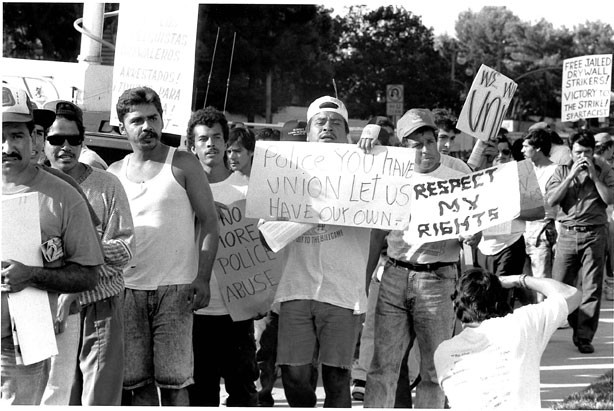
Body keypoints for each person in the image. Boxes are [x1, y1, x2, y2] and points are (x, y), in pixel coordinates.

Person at [359, 108, 479, 408]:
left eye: (430, 140)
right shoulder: (391, 175)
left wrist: (471, 237)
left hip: (439, 280)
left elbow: (474, 229)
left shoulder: (458, 175)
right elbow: (377, 233)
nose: (426, 149)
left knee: (434, 370)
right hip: (394, 276)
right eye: (416, 143)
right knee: (382, 367)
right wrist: (364, 280)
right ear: (403, 147)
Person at [108, 87, 219, 405]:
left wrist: (202, 277)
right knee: (135, 384)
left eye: (153, 118)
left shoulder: (183, 163)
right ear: (122, 128)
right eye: (137, 120)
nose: (147, 127)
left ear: (162, 120)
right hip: (127, 290)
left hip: (176, 291)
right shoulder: (114, 173)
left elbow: (210, 222)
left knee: (174, 383)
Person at [2, 85, 103, 405]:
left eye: (16, 135)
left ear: (33, 137)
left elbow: (88, 274)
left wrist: (31, 275)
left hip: (22, 339)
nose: (7, 147)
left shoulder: (63, 195)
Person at [270, 96, 370, 407]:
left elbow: (390, 197)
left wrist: (377, 144)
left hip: (342, 291)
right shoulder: (284, 168)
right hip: (295, 287)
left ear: (347, 133)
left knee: (338, 378)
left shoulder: (368, 169)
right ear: (309, 132)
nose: (328, 127)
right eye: (320, 122)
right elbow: (267, 233)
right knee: (294, 375)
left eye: (336, 123)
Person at [42, 100, 134, 405]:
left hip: (100, 305)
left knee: (100, 398)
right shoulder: (33, 185)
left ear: (84, 142)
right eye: (56, 139)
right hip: (48, 307)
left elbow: (124, 249)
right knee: (55, 395)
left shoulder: (107, 185)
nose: (65, 147)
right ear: (42, 141)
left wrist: (78, 254)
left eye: (73, 139)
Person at [185, 107, 259, 407]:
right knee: (201, 393)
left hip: (238, 312)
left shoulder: (250, 188)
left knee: (242, 392)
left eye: (217, 137)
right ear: (192, 147)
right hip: (194, 311)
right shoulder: (180, 190)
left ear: (226, 142)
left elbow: (266, 247)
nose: (211, 144)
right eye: (203, 139)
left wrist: (263, 295)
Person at [434, 268, 582, 409]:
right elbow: (571, 294)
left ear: (455, 304)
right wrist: (519, 279)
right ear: (501, 300)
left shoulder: (443, 352)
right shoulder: (522, 325)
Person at [546, 130, 614, 354]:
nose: (582, 156)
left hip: (594, 233)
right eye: (577, 152)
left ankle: (584, 336)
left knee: (591, 287)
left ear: (593, 151)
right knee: (559, 286)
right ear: (571, 151)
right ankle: (569, 323)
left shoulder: (604, 168)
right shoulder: (563, 167)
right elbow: (552, 200)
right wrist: (569, 177)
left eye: (586, 152)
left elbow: (609, 199)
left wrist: (594, 176)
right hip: (567, 233)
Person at [521, 129, 559, 303]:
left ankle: (546, 320)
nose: (522, 150)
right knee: (529, 280)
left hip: (544, 229)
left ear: (537, 148)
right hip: (524, 230)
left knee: (543, 280)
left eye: (525, 146)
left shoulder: (556, 171)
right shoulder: (525, 170)